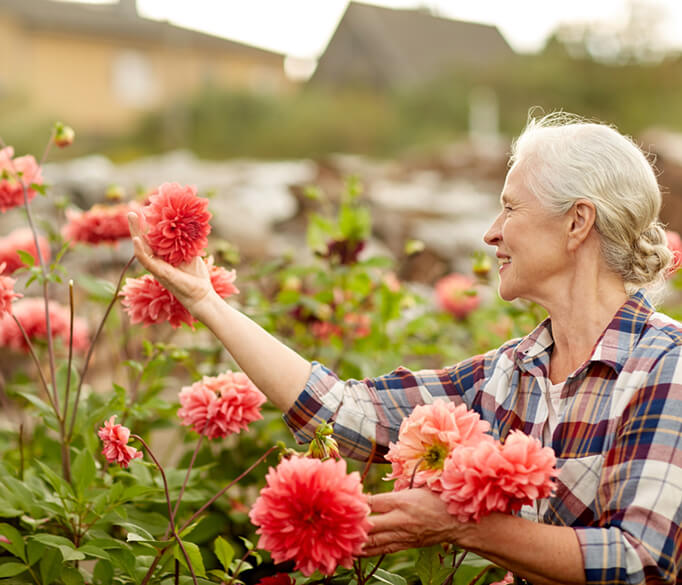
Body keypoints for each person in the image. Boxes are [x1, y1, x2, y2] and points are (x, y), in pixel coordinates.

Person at [128, 112, 682, 585]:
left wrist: (462, 525)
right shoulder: (509, 373)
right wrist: (208, 302)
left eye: (510, 208)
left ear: (577, 222)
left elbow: (641, 561)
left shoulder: (667, 364)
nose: (491, 233)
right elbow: (346, 411)